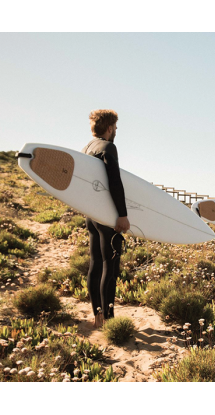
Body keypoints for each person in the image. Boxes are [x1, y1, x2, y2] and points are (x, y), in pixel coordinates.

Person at [82, 109, 130, 328]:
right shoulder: (108, 147)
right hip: (108, 216)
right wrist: (122, 215)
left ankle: (97, 315)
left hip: (92, 215)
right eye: (116, 128)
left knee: (95, 264)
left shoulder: (87, 148)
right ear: (110, 128)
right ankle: (108, 320)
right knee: (110, 268)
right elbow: (114, 182)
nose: (116, 131)